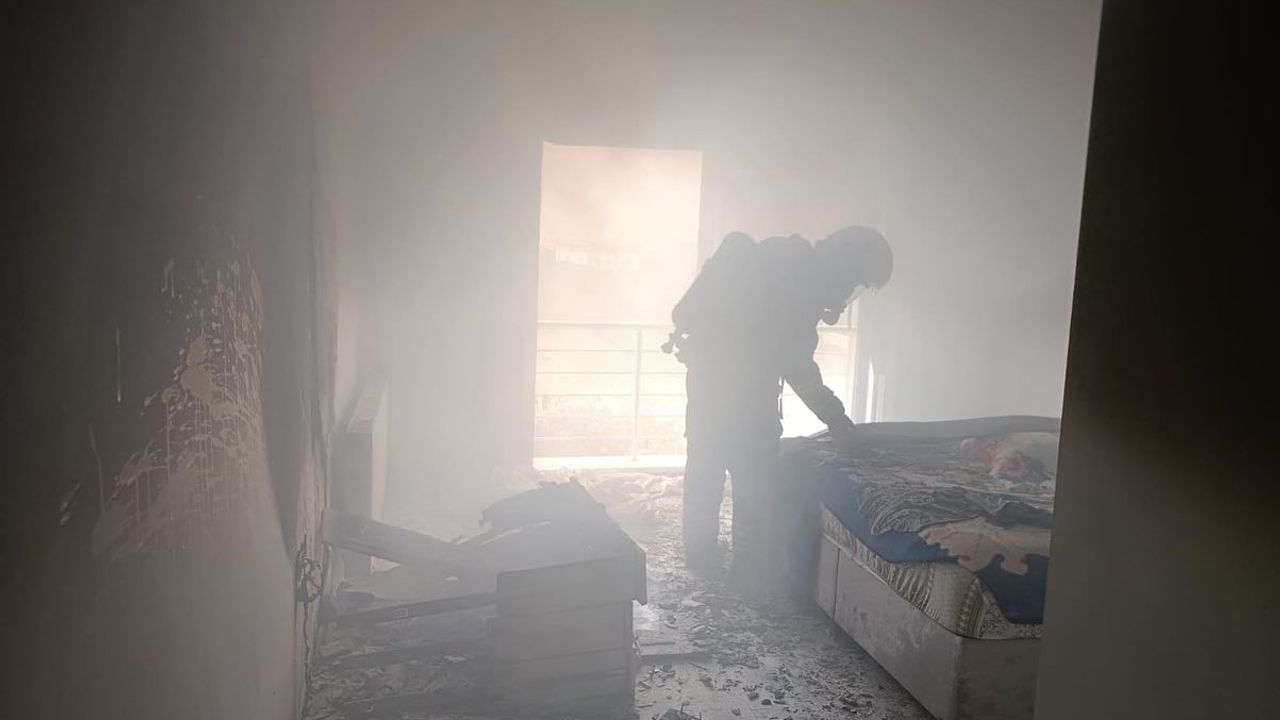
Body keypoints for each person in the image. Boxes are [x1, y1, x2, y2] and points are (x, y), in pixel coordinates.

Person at [664, 226, 893, 579]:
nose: (849, 293)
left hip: (708, 384)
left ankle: (701, 557)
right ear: (844, 265)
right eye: (855, 282)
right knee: (753, 478)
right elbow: (797, 364)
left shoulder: (779, 260)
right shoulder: (800, 284)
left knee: (704, 469)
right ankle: (749, 570)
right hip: (748, 397)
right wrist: (835, 417)